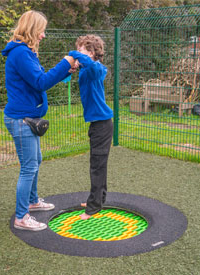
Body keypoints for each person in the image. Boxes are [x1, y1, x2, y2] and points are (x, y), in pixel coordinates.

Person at [2, 10, 75, 231]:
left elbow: (38, 81)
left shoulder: (25, 53)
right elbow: (40, 82)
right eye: (41, 30)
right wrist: (65, 62)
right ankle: (21, 217)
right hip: (21, 120)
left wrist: (65, 71)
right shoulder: (21, 54)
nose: (43, 35)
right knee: (28, 167)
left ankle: (32, 202)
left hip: (28, 118)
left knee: (36, 161)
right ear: (33, 29)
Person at [69, 35, 113, 220]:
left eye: (82, 50)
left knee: (97, 165)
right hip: (97, 124)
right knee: (98, 164)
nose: (79, 54)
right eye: (77, 50)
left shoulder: (98, 69)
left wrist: (73, 54)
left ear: (93, 53)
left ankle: (94, 206)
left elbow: (95, 68)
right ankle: (99, 199)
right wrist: (71, 68)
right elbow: (65, 78)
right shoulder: (85, 70)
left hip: (103, 124)